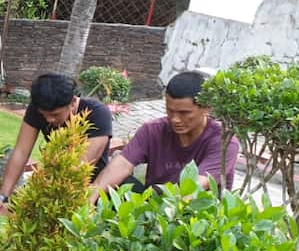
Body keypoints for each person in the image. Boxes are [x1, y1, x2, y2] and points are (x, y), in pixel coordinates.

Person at [90, 71, 240, 195]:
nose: (175, 119)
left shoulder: (224, 142)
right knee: (111, 181)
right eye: (170, 110)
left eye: (184, 113)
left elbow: (196, 187)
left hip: (194, 214)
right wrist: (88, 200)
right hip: (153, 200)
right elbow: (122, 164)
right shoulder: (152, 130)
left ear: (207, 108)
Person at [0, 73, 113, 212]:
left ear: (73, 102)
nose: (49, 120)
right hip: (52, 182)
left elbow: (81, 166)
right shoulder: (38, 109)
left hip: (93, 188)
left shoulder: (98, 114)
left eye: (55, 114)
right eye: (44, 114)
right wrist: (2, 197)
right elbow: (21, 151)